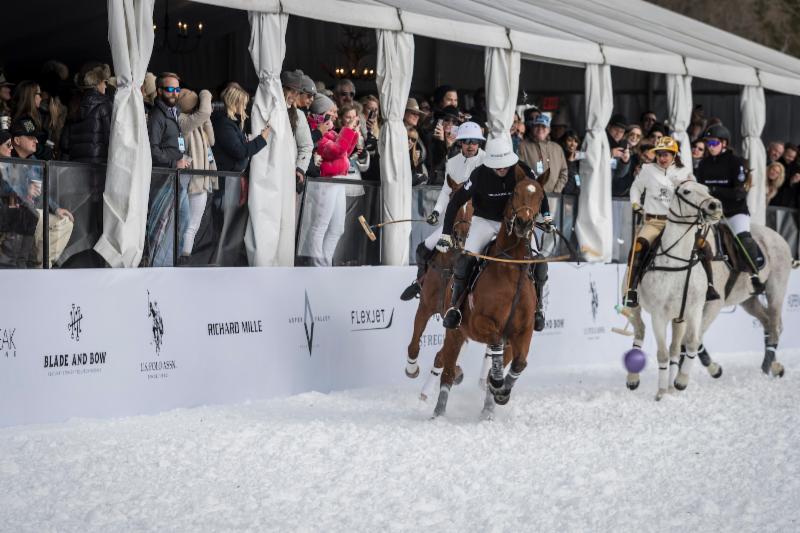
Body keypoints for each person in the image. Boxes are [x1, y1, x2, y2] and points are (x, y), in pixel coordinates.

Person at [435, 137, 553, 330]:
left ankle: (538, 309)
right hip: (485, 221)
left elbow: (538, 189)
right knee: (467, 259)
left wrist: (547, 217)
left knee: (538, 261)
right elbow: (456, 202)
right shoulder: (479, 174)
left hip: (514, 224)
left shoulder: (522, 170)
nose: (501, 170)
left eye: (504, 166)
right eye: (497, 166)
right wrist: (446, 233)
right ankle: (455, 307)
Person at [624, 136, 718, 307]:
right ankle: (631, 290)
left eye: (666, 154)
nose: (662, 158)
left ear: (674, 155)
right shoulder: (647, 169)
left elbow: (694, 193)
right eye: (659, 154)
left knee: (703, 245)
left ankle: (710, 286)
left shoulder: (684, 173)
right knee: (639, 245)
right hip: (654, 222)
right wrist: (636, 204)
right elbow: (636, 188)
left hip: (679, 224)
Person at [399, 121, 486, 301]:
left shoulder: (487, 161)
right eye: (466, 141)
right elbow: (447, 190)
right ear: (460, 142)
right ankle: (420, 284)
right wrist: (437, 212)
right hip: (454, 222)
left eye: (475, 141)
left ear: (479, 143)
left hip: (481, 221)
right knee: (423, 249)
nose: (471, 145)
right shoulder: (452, 162)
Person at [695, 124, 766, 294]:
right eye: (708, 144)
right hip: (710, 213)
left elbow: (740, 193)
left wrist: (714, 191)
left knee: (742, 237)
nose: (710, 147)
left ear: (724, 144)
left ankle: (754, 276)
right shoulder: (703, 164)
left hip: (734, 212)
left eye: (714, 144)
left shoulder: (736, 162)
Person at [210, 82, 271, 265]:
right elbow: (239, 151)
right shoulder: (223, 124)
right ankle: (218, 262)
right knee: (224, 225)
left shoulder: (232, 124)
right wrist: (262, 139)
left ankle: (224, 261)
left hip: (231, 181)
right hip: (225, 182)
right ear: (234, 102)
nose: (244, 107)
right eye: (242, 103)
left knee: (229, 226)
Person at [9, 117, 74, 267]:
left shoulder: (34, 160)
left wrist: (56, 208)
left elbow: (42, 192)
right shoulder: (5, 158)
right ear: (17, 140)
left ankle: (41, 265)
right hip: (14, 214)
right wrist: (26, 191)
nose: (36, 141)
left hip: (33, 213)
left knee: (65, 222)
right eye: (31, 137)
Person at [176, 88, 216, 264]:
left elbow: (212, 140)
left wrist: (205, 118)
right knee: (186, 223)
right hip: (190, 178)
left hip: (202, 178)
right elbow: (205, 111)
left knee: (194, 224)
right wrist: (205, 94)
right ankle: (180, 256)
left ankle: (185, 256)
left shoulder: (197, 122)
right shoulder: (183, 120)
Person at [60, 63, 113, 164]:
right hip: (99, 170)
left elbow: (64, 145)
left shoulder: (74, 106)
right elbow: (112, 141)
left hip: (76, 168)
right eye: (104, 82)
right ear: (97, 83)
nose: (106, 86)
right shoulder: (105, 105)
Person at [148, 73, 190, 169]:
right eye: (170, 89)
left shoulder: (175, 111)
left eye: (177, 90)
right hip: (163, 175)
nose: (175, 93)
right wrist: (174, 164)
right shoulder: (156, 116)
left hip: (173, 173)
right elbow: (152, 149)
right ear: (159, 91)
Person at [518, 113, 568, 193]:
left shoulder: (557, 148)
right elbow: (519, 171)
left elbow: (563, 173)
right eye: (537, 126)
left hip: (553, 196)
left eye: (543, 126)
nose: (540, 129)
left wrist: (556, 191)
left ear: (549, 130)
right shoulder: (523, 146)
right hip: (530, 195)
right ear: (532, 128)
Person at [560, 130, 582, 196]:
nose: (573, 144)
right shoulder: (560, 158)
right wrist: (570, 161)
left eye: (576, 141)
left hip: (577, 197)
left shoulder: (579, 161)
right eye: (569, 140)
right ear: (564, 142)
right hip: (563, 197)